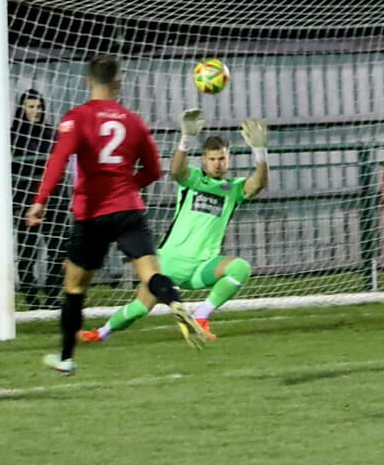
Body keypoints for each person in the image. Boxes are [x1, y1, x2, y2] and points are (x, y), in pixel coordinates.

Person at [25, 54, 206, 376]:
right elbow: (153, 169)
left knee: (75, 288)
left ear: (88, 81)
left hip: (91, 213)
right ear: (118, 83)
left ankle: (66, 358)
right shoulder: (133, 120)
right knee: (151, 275)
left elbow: (57, 160)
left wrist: (40, 201)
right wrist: (126, 187)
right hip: (128, 210)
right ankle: (175, 301)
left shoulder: (77, 117)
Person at [79, 110, 269, 343]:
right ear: (204, 160)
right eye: (212, 159)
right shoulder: (194, 179)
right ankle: (101, 333)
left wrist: (260, 152)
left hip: (202, 267)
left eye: (222, 158)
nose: (218, 164)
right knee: (140, 307)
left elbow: (258, 184)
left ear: (229, 159)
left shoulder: (234, 189)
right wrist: (185, 139)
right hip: (167, 264)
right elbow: (177, 170)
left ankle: (200, 317)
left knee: (240, 268)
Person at [10, 88, 66, 309]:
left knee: (60, 248)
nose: (36, 111)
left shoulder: (51, 133)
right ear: (22, 109)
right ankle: (32, 299)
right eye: (31, 107)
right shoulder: (14, 135)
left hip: (53, 197)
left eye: (39, 106)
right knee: (27, 252)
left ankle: (52, 295)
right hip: (26, 199)